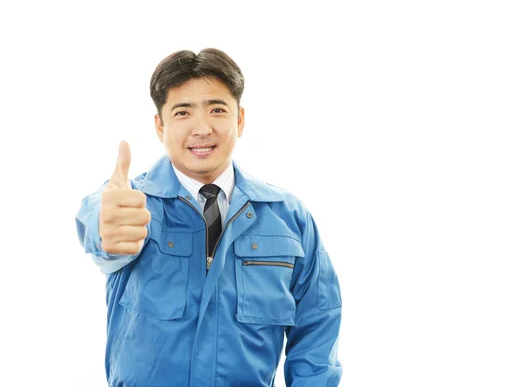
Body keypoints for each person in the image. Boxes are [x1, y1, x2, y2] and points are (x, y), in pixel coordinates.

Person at [75, 48, 343, 387]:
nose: (202, 128)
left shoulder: (288, 217)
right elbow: (98, 221)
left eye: (217, 109)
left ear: (240, 120)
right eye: (183, 112)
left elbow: (318, 325)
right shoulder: (131, 204)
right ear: (160, 126)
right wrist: (103, 227)